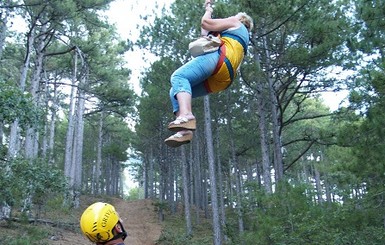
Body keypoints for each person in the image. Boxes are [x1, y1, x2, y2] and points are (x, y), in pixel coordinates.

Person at [164, 0, 253, 147]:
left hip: (221, 60)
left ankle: (186, 115)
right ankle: (185, 131)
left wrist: (209, 11)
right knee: (175, 90)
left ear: (240, 19)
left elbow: (205, 23)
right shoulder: (240, 37)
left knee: (179, 77)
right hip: (224, 79)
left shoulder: (236, 23)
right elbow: (204, 33)